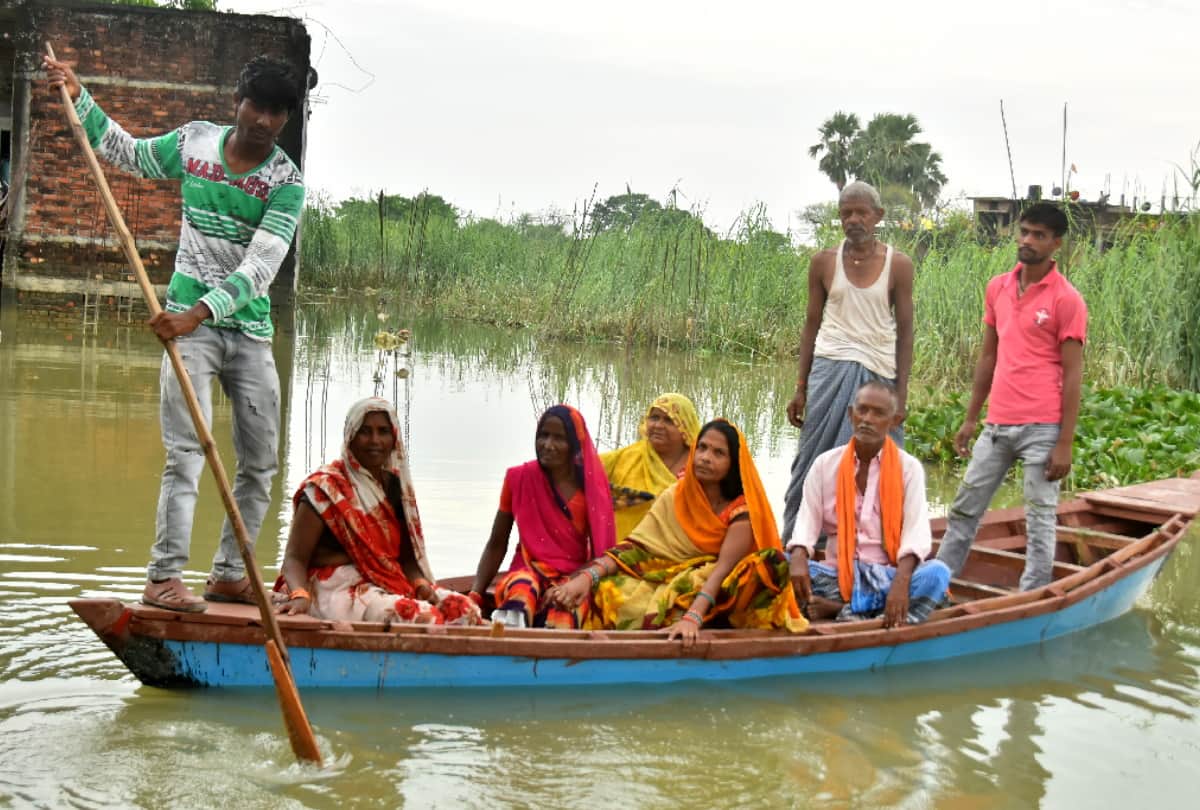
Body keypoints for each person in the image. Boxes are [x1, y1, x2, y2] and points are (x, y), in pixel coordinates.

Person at [44, 54, 306, 612]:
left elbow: (260, 268)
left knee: (260, 464)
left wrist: (197, 313)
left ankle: (230, 576)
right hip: (190, 334)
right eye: (256, 106)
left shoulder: (286, 182)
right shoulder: (195, 144)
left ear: (284, 119)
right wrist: (80, 95)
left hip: (246, 333)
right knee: (186, 453)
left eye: (276, 112)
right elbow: (131, 155)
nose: (263, 120)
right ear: (238, 102)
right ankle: (163, 579)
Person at [547, 419, 808, 646]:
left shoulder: (741, 510)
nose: (705, 457)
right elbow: (635, 550)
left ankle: (701, 620)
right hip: (668, 577)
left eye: (719, 453)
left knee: (768, 565)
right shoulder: (676, 495)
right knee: (605, 591)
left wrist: (692, 618)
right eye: (702, 448)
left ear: (733, 463)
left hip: (717, 592)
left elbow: (723, 570)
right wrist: (587, 577)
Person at [936, 203, 1086, 591]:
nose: (1027, 241)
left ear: (1056, 244)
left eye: (1038, 235)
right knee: (964, 508)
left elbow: (1073, 375)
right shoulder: (998, 287)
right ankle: (937, 582)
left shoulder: (1066, 299)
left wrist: (1064, 442)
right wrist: (971, 419)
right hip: (997, 423)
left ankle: (1031, 596)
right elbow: (988, 356)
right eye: (1024, 232)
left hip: (1043, 426)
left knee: (1039, 517)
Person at [781, 181, 914, 545]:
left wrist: (901, 394)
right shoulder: (823, 262)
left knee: (880, 465)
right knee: (813, 460)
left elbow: (905, 331)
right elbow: (811, 323)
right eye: (846, 213)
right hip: (830, 366)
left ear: (878, 216)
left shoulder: (898, 265)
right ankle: (800, 545)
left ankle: (873, 548)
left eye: (861, 213)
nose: (853, 220)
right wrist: (800, 388)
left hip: (878, 370)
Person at [275, 397, 480, 625]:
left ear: (394, 438)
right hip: (336, 590)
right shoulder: (324, 489)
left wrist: (422, 587)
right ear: (350, 436)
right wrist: (299, 596)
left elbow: (407, 561)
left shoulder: (393, 487)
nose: (375, 440)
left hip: (389, 581)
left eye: (383, 431)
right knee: (423, 618)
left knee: (465, 611)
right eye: (365, 431)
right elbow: (294, 558)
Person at [787, 381, 950, 626]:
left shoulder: (909, 469)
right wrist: (798, 557)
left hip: (887, 575)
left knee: (937, 574)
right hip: (835, 575)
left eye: (878, 413)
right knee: (772, 564)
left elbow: (916, 535)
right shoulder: (824, 464)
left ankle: (842, 610)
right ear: (850, 414)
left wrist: (900, 584)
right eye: (862, 410)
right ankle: (873, 610)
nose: (867, 419)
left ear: (894, 421)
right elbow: (806, 523)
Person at [469, 404, 616, 628]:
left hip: (573, 575)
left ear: (575, 444)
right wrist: (475, 595)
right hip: (527, 569)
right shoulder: (519, 478)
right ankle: (508, 643)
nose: (548, 445)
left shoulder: (590, 490)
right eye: (543, 435)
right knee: (521, 590)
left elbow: (601, 553)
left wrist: (569, 585)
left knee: (564, 609)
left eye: (559, 438)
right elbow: (497, 543)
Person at [601, 393, 701, 541]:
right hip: (620, 547)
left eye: (669, 420)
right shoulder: (629, 456)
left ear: (685, 427)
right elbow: (587, 469)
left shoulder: (699, 464)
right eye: (654, 418)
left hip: (677, 548)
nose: (658, 425)